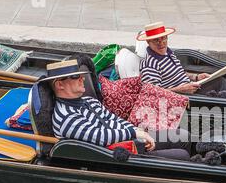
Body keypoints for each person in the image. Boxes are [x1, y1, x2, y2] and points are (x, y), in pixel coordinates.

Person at [44, 60, 191, 159]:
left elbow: (114, 120)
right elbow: (101, 136)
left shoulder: (88, 101)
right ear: (59, 85)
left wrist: (140, 133)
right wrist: (135, 132)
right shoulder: (65, 118)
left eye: (82, 76)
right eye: (76, 77)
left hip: (130, 142)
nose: (82, 79)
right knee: (182, 155)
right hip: (116, 157)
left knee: (183, 136)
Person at [138, 22, 226, 98]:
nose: (161, 43)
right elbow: (153, 94)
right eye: (156, 40)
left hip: (190, 87)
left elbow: (178, 73)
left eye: (164, 39)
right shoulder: (149, 65)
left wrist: (196, 77)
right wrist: (181, 89)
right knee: (221, 82)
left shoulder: (168, 53)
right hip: (183, 98)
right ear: (148, 42)